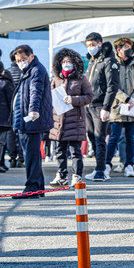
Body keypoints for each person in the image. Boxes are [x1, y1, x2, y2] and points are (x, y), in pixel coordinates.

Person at [12, 45, 53, 198]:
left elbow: (36, 92)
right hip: (26, 120)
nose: (20, 62)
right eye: (17, 60)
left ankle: (32, 188)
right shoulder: (29, 70)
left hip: (32, 120)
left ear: (31, 56)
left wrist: (33, 110)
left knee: (31, 156)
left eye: (22, 59)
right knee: (32, 155)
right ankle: (38, 187)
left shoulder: (36, 70)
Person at [49, 49, 93, 186]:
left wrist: (74, 99)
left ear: (75, 63)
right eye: (63, 62)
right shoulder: (56, 79)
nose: (66, 64)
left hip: (75, 120)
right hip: (59, 121)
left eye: (69, 62)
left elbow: (89, 97)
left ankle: (77, 175)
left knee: (75, 151)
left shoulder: (81, 79)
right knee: (60, 151)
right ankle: (61, 175)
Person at [105, 37, 134, 178]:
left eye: (130, 47)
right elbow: (112, 86)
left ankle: (129, 164)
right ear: (119, 50)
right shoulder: (112, 64)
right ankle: (106, 164)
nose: (129, 49)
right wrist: (125, 98)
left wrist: (133, 98)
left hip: (133, 106)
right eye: (126, 47)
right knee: (114, 137)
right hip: (117, 107)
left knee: (131, 137)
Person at [83, 33, 119, 182]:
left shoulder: (109, 61)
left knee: (100, 137)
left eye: (93, 44)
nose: (90, 48)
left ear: (99, 43)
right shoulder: (93, 61)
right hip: (88, 105)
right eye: (88, 45)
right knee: (92, 137)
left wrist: (106, 107)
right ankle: (98, 166)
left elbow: (113, 86)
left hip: (100, 105)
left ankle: (101, 170)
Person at [6, 50, 24, 168]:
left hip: (8, 107)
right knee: (21, 132)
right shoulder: (24, 72)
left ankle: (12, 158)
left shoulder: (6, 72)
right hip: (21, 106)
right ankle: (21, 158)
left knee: (10, 133)